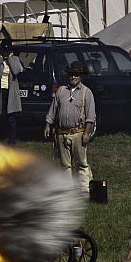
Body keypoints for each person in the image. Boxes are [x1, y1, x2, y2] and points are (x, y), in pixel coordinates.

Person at [44, 61, 96, 197]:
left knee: (81, 163)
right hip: (62, 133)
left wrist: (86, 133)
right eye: (72, 74)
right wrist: (48, 125)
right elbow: (53, 109)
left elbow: (90, 116)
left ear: (81, 76)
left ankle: (85, 190)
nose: (74, 77)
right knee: (65, 164)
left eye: (77, 75)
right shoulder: (61, 91)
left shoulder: (86, 92)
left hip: (78, 132)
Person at [0, 40, 22, 146]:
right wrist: (0, 59)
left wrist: (10, 59)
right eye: (4, 50)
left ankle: (12, 140)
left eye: (7, 51)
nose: (5, 53)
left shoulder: (15, 59)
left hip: (10, 91)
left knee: (11, 117)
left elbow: (16, 71)